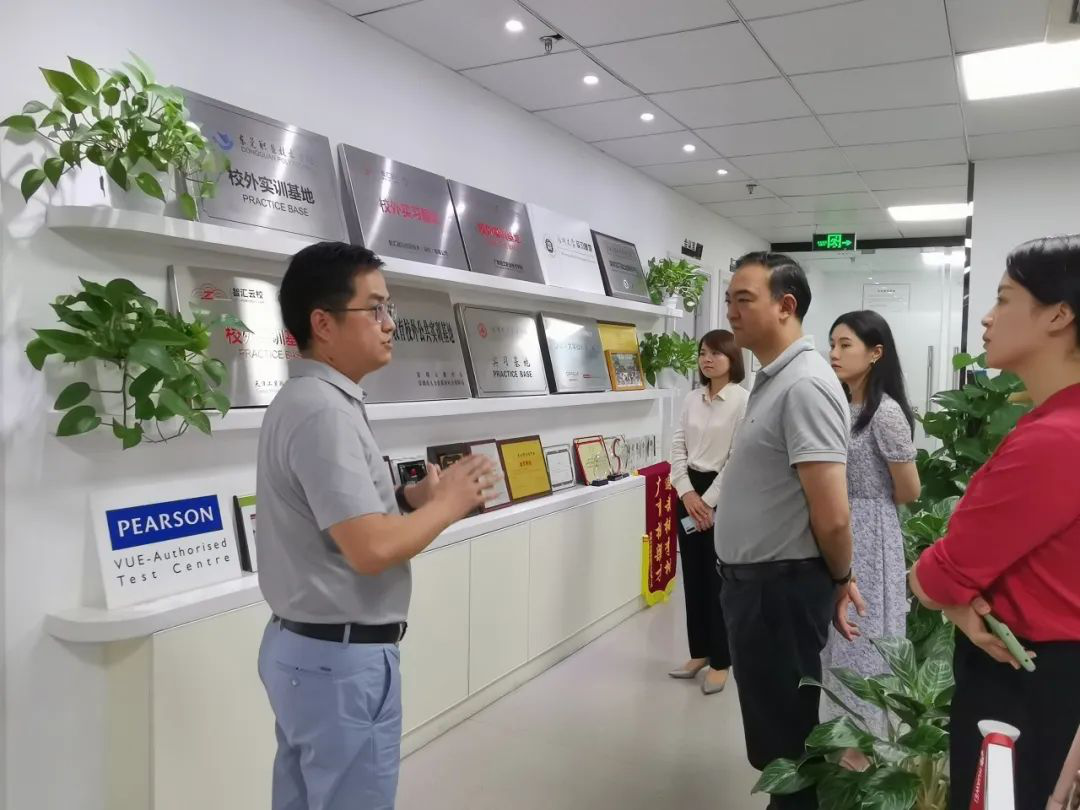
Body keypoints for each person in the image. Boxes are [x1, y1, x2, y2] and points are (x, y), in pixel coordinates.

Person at [255, 242, 499, 810]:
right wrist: (449, 504)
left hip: (311, 655)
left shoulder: (311, 399)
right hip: (337, 662)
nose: (390, 324)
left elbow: (345, 518)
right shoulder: (322, 411)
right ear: (323, 323)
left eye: (390, 309)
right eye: (375, 309)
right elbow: (369, 550)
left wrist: (411, 501)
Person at [910, 235, 1080, 810]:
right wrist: (954, 596)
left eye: (1004, 299)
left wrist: (945, 591)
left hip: (1028, 679)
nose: (986, 317)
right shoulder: (1053, 422)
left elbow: (936, 576)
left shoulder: (1055, 440)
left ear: (1058, 315)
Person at [715, 251, 865, 810]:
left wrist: (842, 577)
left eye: (744, 299)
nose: (731, 312)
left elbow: (833, 514)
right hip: (757, 589)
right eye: (729, 300)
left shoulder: (805, 384)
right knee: (777, 735)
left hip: (777, 591)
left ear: (786, 305)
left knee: (790, 743)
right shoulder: (774, 379)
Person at [823, 311, 920, 745]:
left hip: (870, 531)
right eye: (832, 344)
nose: (834, 353)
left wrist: (866, 507)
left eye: (845, 345)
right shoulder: (840, 406)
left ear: (876, 353)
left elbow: (910, 489)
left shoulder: (885, 413)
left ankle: (865, 743)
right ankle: (841, 735)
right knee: (837, 639)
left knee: (865, 636)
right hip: (836, 526)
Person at [668, 329, 749, 695]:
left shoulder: (743, 401)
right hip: (688, 493)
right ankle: (699, 652)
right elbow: (677, 446)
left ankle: (721, 660)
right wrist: (686, 492)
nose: (707, 359)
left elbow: (737, 457)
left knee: (720, 582)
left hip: (723, 496)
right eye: (703, 353)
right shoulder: (691, 399)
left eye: (716, 353)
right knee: (694, 577)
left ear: (732, 358)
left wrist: (709, 500)